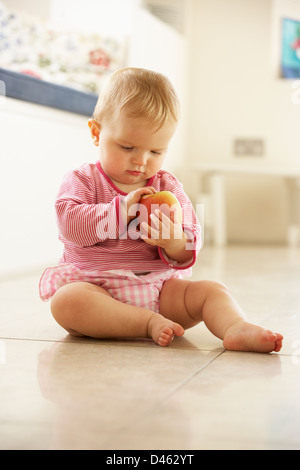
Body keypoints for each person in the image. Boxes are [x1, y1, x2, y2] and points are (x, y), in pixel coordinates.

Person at [39, 67, 283, 352]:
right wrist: (121, 211)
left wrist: (175, 242)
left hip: (160, 291)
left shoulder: (167, 185)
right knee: (66, 302)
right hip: (98, 289)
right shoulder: (83, 180)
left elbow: (193, 235)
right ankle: (145, 323)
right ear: (96, 133)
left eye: (156, 152)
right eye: (127, 147)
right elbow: (70, 225)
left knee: (211, 291)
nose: (141, 161)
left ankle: (235, 327)